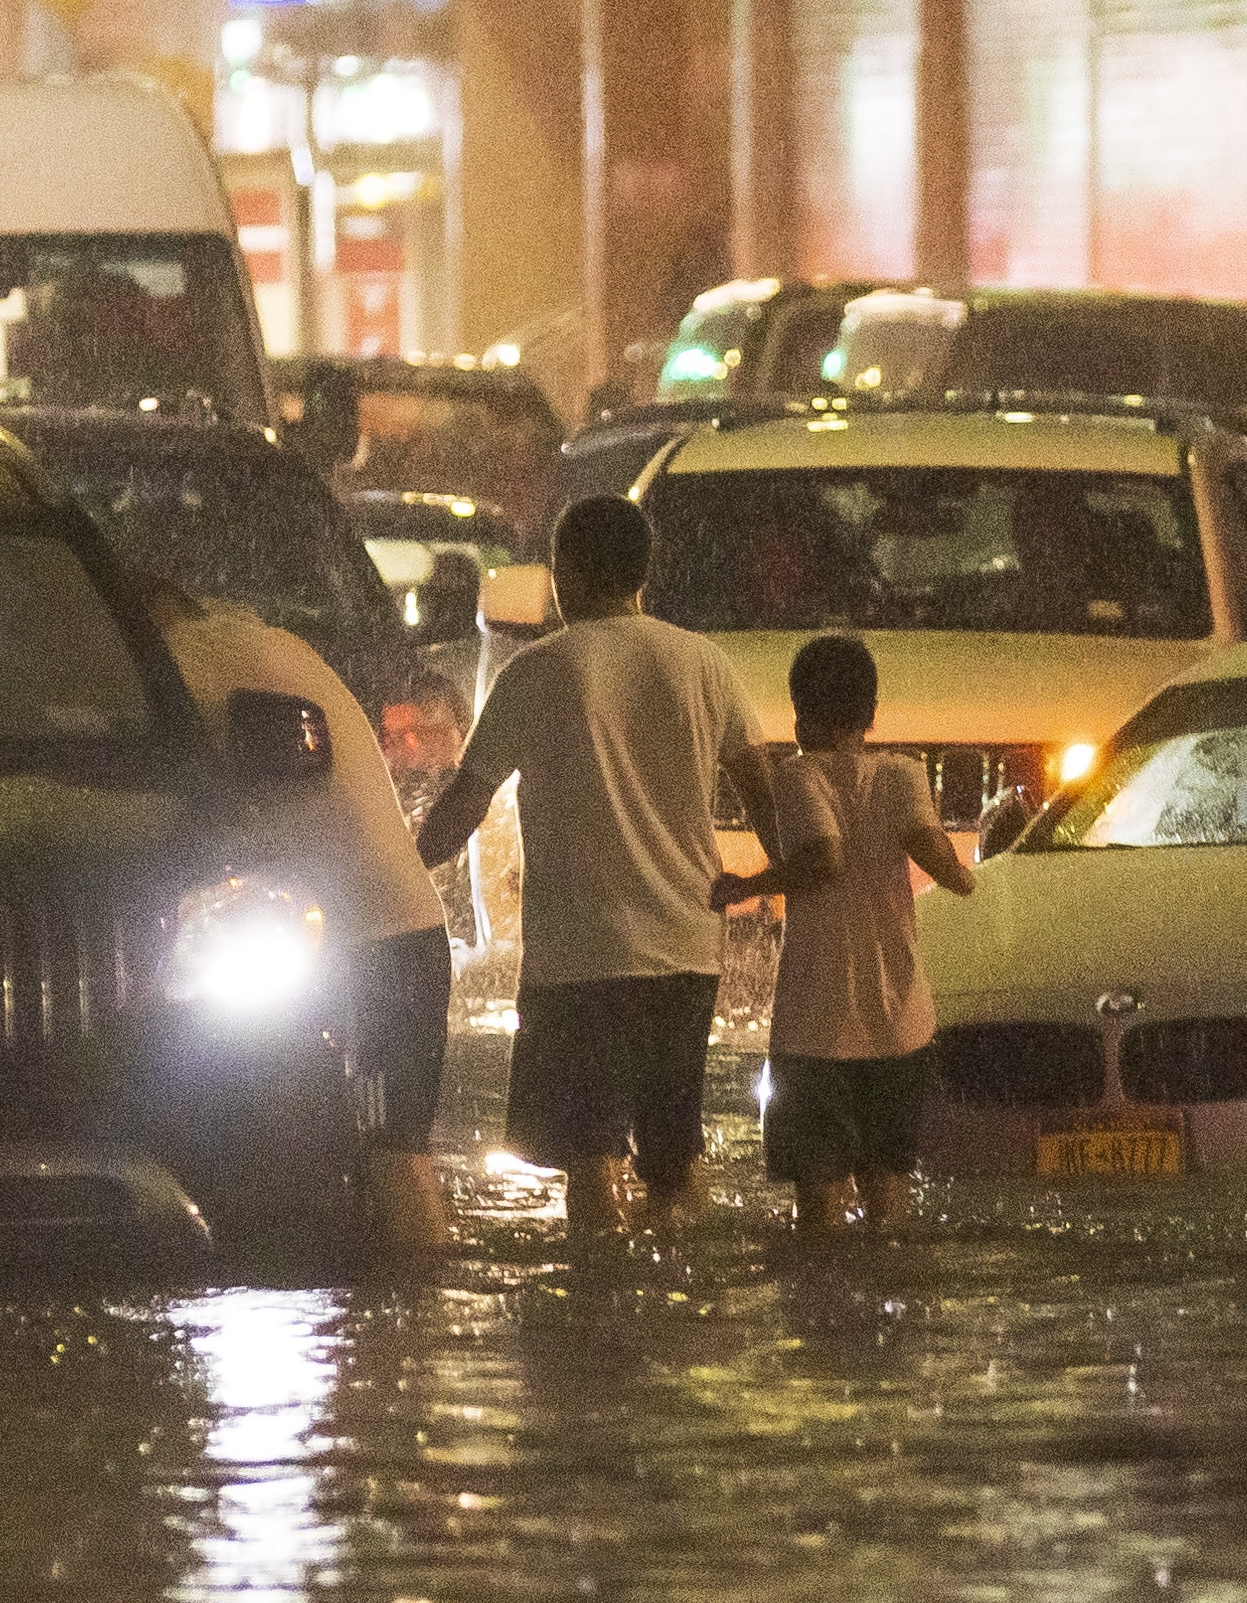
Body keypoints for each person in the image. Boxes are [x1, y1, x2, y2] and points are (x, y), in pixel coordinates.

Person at [415, 495, 786, 1235]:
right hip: (688, 951)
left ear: (568, 571)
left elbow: (466, 801)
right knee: (676, 1158)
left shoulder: (540, 669)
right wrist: (784, 882)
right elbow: (763, 792)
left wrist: (399, 870)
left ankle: (602, 1316)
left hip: (581, 961)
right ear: (644, 572)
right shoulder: (703, 664)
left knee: (590, 1160)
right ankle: (683, 1303)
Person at [139, 571, 460, 1253]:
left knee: (391, 1153)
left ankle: (420, 1311)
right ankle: (395, 1330)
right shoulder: (271, 642)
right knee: (377, 1151)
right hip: (391, 935)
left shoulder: (179, 661)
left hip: (374, 945)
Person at [715, 633, 976, 1234]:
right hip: (900, 1022)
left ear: (803, 714)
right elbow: (942, 865)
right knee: (890, 1199)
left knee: (819, 1212)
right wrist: (965, 870)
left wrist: (745, 886)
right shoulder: (905, 775)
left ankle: (826, 1318)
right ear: (871, 715)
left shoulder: (797, 777)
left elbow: (824, 860)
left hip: (816, 1029)